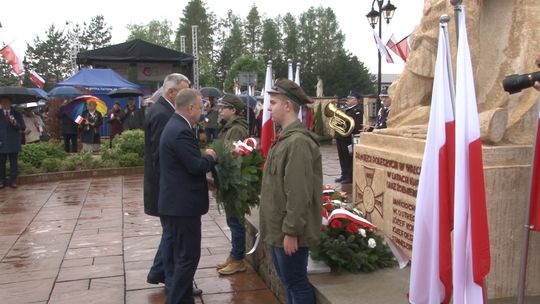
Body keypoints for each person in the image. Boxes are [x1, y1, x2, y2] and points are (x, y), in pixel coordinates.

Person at [260, 79, 322, 304]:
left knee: (296, 283)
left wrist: (292, 231)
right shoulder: (286, 139)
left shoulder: (297, 142)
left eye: (273, 102)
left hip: (289, 232)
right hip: (279, 229)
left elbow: (298, 191)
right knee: (290, 283)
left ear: (288, 105)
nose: (269, 107)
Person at [143, 73, 204, 296]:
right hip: (172, 194)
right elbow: (162, 158)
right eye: (184, 91)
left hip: (170, 193)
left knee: (173, 240)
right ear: (172, 93)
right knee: (177, 245)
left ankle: (166, 277)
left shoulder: (166, 113)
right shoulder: (163, 115)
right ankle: (173, 283)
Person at [158, 88, 217, 304]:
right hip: (183, 207)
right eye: (201, 107)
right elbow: (195, 166)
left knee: (181, 257)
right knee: (188, 258)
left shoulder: (176, 125)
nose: (202, 112)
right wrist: (210, 156)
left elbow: (181, 166)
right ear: (191, 107)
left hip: (175, 203)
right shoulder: (181, 130)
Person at [214, 94, 249, 275]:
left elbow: (230, 155)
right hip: (230, 179)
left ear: (233, 110)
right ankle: (234, 255)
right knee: (232, 220)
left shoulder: (236, 130)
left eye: (223, 108)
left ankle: (238, 259)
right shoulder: (229, 127)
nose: (220, 111)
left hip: (234, 180)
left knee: (235, 221)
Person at [334, 91, 363, 184]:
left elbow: (356, 126)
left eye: (351, 98)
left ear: (357, 100)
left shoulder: (357, 110)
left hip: (348, 138)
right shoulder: (347, 110)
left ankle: (349, 177)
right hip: (341, 137)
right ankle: (343, 175)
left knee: (348, 158)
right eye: (348, 98)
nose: (348, 100)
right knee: (342, 157)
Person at [0, 96, 26, 189]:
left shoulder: (17, 114)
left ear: (10, 103)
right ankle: (1, 181)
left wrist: (15, 123)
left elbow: (23, 127)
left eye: (7, 102)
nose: (5, 104)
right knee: (1, 163)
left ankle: (13, 181)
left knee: (13, 163)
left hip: (13, 141)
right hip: (1, 143)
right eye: (3, 102)